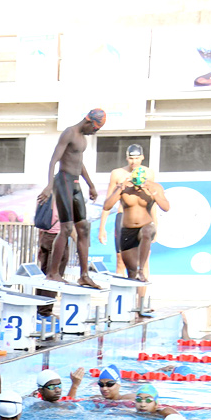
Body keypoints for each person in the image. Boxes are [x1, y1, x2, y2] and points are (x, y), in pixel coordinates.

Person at [37, 109, 105, 289]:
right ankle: (53, 272)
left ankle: (84, 275)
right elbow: (54, 160)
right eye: (96, 129)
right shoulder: (70, 133)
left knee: (83, 227)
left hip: (75, 184)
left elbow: (79, 162)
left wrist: (90, 184)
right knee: (66, 227)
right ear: (89, 122)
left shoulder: (82, 138)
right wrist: (49, 184)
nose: (95, 132)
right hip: (63, 181)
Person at [99, 166, 170, 282]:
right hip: (128, 230)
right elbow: (107, 206)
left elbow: (166, 207)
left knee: (147, 232)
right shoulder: (124, 188)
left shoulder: (154, 187)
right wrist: (119, 190)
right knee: (131, 272)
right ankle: (132, 297)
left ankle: (141, 270)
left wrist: (155, 194)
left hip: (145, 226)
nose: (137, 189)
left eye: (140, 185)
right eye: (135, 185)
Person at [102, 144, 155, 277]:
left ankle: (140, 298)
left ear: (142, 158)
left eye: (137, 158)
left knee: (144, 260)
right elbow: (108, 201)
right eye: (131, 158)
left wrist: (155, 224)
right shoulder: (117, 174)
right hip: (123, 219)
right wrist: (102, 227)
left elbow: (152, 202)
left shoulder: (148, 173)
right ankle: (122, 295)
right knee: (121, 260)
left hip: (144, 220)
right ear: (127, 158)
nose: (134, 161)